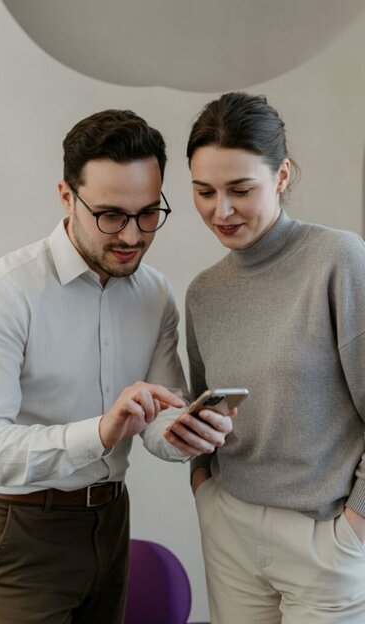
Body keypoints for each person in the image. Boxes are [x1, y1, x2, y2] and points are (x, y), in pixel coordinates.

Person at [0, 109, 233, 624]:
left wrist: (187, 430)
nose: (132, 237)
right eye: (110, 215)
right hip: (17, 532)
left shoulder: (154, 292)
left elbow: (158, 416)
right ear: (67, 197)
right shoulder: (4, 293)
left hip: (111, 521)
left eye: (148, 213)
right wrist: (100, 432)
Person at [178, 92, 365, 623]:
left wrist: (356, 526)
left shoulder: (338, 259)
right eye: (204, 191)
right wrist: (203, 486)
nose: (222, 210)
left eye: (241, 189)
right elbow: (203, 411)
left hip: (324, 537)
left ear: (282, 176)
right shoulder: (204, 293)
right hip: (230, 527)